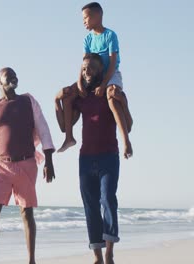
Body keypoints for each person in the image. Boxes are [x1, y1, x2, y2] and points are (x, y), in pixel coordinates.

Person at [0, 67, 55, 264]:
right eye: (7, 75)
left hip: (26, 163)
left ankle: (31, 260)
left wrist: (49, 160)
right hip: (1, 166)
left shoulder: (28, 101)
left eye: (14, 75)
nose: (12, 77)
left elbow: (43, 128)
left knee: (27, 212)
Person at [56, 53, 123, 264]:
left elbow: (127, 123)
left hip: (109, 156)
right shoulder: (81, 97)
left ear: (101, 71)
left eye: (91, 68)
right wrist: (56, 101)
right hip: (86, 158)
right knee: (90, 205)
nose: (87, 72)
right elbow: (63, 126)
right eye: (84, 68)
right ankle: (97, 256)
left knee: (108, 200)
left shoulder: (110, 93)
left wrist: (127, 141)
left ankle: (109, 252)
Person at [58, 2, 133, 160]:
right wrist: (79, 83)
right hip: (91, 74)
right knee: (68, 95)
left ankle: (126, 140)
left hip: (110, 74)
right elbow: (84, 62)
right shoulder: (88, 39)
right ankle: (69, 137)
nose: (84, 21)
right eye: (83, 19)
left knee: (112, 98)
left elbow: (112, 62)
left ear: (98, 16)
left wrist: (105, 83)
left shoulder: (110, 35)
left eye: (86, 17)